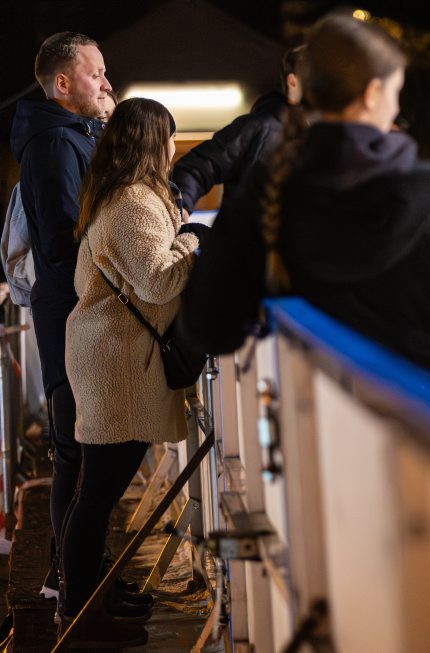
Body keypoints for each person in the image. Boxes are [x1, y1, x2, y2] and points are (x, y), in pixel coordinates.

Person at [178, 14, 430, 403]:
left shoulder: (268, 189)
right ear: (372, 94)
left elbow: (209, 326)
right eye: (396, 92)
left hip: (318, 423)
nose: (396, 108)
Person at [59, 97, 201, 647]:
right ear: (150, 141)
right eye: (169, 135)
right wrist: (196, 240)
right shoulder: (133, 203)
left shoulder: (127, 198)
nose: (174, 146)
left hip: (115, 354)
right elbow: (161, 281)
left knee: (102, 488)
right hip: (113, 360)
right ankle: (80, 616)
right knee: (98, 491)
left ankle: (97, 590)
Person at [9, 31, 111, 602]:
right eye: (96, 73)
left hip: (79, 311)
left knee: (86, 445)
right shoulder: (52, 145)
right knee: (76, 445)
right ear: (64, 83)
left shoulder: (71, 135)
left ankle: (80, 576)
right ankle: (68, 583)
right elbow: (62, 241)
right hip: (73, 313)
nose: (107, 83)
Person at [171, 45, 305, 217]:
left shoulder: (332, 132)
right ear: (292, 82)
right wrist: (181, 207)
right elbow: (196, 168)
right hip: (251, 240)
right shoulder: (258, 128)